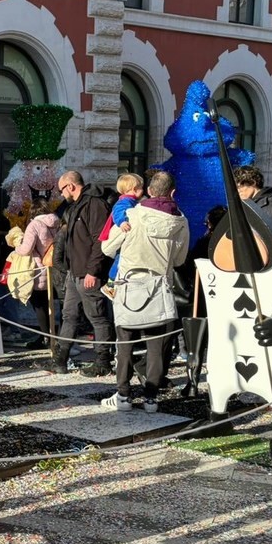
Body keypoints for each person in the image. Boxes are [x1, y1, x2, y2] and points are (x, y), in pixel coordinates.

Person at [100, 170, 189, 413]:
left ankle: (123, 395)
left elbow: (107, 247)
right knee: (156, 347)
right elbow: (180, 259)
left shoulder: (131, 214)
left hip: (129, 286)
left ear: (149, 191)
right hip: (160, 287)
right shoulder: (180, 219)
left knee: (125, 343)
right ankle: (151, 398)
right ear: (172, 193)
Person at [46, 171, 114, 376]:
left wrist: (93, 271)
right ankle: (60, 360)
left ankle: (102, 361)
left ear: (71, 186)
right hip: (75, 272)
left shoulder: (94, 204)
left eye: (61, 189)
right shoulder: (77, 205)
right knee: (69, 316)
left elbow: (100, 240)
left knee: (97, 317)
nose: (61, 194)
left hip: (88, 272)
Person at [14, 197, 61, 341]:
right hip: (55, 267)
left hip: (39, 269)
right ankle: (52, 335)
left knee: (39, 304)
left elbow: (26, 249)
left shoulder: (34, 225)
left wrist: (16, 247)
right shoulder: (57, 221)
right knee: (52, 304)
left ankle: (47, 337)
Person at [101, 172, 145, 298]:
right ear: (133, 189)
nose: (143, 190)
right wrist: (122, 222)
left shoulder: (130, 201)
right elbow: (118, 212)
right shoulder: (125, 201)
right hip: (123, 235)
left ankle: (112, 284)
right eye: (141, 188)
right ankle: (111, 284)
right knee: (120, 259)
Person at [234, 165, 272, 240]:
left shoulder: (269, 205)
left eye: (239, 187)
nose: (238, 191)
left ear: (253, 183)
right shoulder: (257, 203)